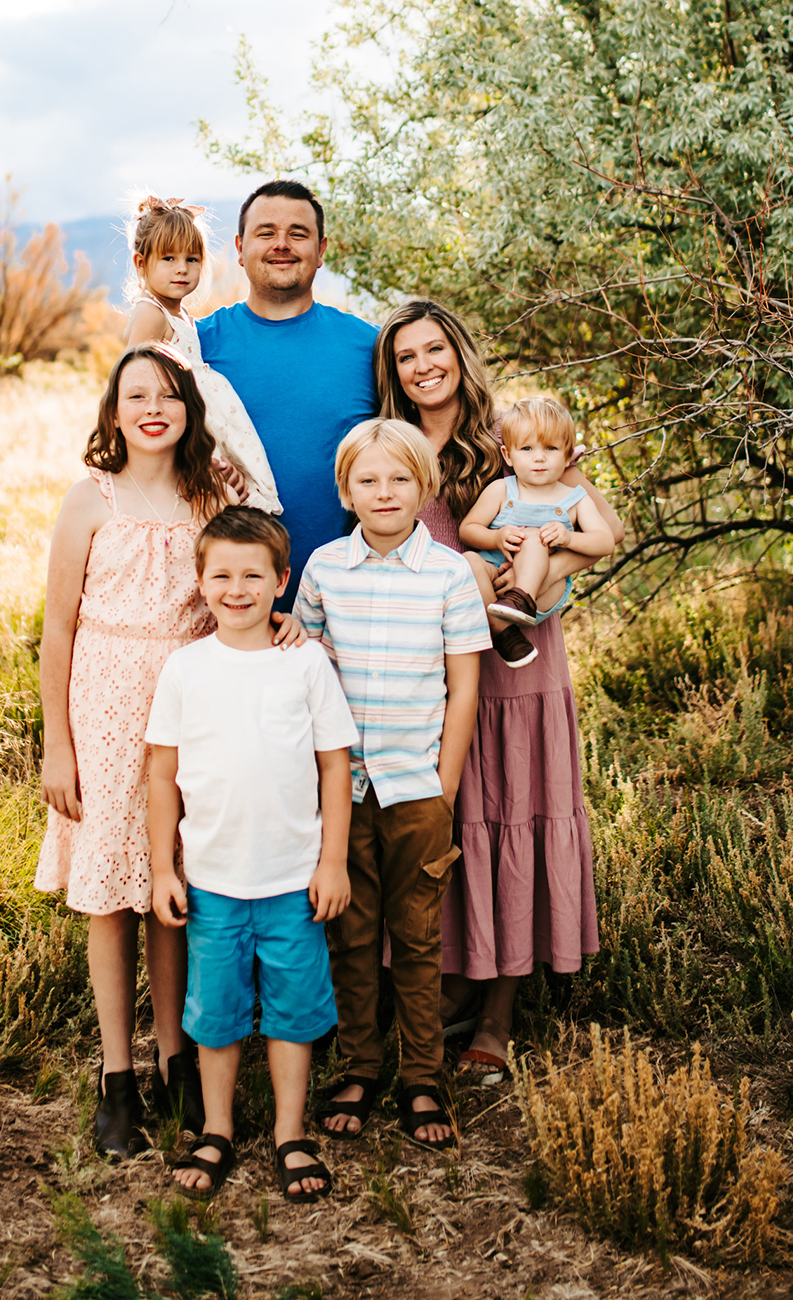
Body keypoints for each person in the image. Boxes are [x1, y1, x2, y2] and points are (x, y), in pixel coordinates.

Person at [35, 344, 301, 1161]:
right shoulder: (90, 498)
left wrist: (281, 618)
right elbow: (56, 627)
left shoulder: (211, 493)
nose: (153, 408)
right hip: (106, 709)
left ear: (190, 408)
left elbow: (246, 572)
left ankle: (175, 1058)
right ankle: (117, 1075)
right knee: (111, 895)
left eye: (168, 395)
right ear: (114, 414)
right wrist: (57, 744)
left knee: (175, 884)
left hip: (195, 701)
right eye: (136, 396)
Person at [374, 299, 624, 1086]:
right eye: (407, 355)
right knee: (452, 818)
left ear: (459, 352)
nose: (424, 366)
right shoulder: (390, 444)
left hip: (519, 655)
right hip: (428, 665)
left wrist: (534, 580)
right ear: (393, 371)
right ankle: (454, 974)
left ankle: (500, 1010)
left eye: (435, 349)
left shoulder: (514, 437)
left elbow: (597, 532)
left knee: (516, 811)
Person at [147, 507, 357, 1201]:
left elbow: (334, 766)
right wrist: (163, 867)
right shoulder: (186, 668)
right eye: (222, 576)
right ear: (201, 582)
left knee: (293, 1011)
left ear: (281, 580)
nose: (237, 589)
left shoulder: (305, 663)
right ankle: (217, 1129)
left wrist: (332, 862)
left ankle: (290, 1133)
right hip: (213, 881)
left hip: (293, 880)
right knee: (217, 1013)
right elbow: (161, 774)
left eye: (253, 576)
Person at [295, 419, 490, 1146]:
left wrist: (444, 787)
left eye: (400, 478)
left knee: (415, 937)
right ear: (346, 490)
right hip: (342, 794)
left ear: (424, 487)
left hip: (417, 789)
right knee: (350, 936)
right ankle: (360, 1066)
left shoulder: (448, 573)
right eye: (368, 480)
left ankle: (422, 1077)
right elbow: (306, 673)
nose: (384, 492)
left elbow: (463, 689)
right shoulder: (324, 569)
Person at [198, 179, 377, 608]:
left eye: (298, 233)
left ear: (321, 249)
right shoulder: (196, 346)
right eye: (266, 233)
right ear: (239, 248)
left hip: (346, 601)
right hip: (227, 604)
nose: (282, 244)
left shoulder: (369, 346)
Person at [123, 195, 281, 515]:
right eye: (168, 258)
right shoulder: (151, 314)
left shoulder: (180, 315)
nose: (182, 269)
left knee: (229, 500)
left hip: (203, 425)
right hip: (182, 430)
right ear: (141, 263)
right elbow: (132, 384)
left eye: (192, 259)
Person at [460, 396, 615, 653]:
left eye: (551, 448)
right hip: (494, 580)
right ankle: (503, 633)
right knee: (469, 561)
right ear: (508, 455)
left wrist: (569, 538)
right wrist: (496, 538)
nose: (539, 458)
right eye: (527, 449)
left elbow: (606, 542)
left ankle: (521, 598)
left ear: (567, 455)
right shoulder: (501, 490)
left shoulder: (575, 499)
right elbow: (468, 529)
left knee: (533, 537)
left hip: (542, 590)